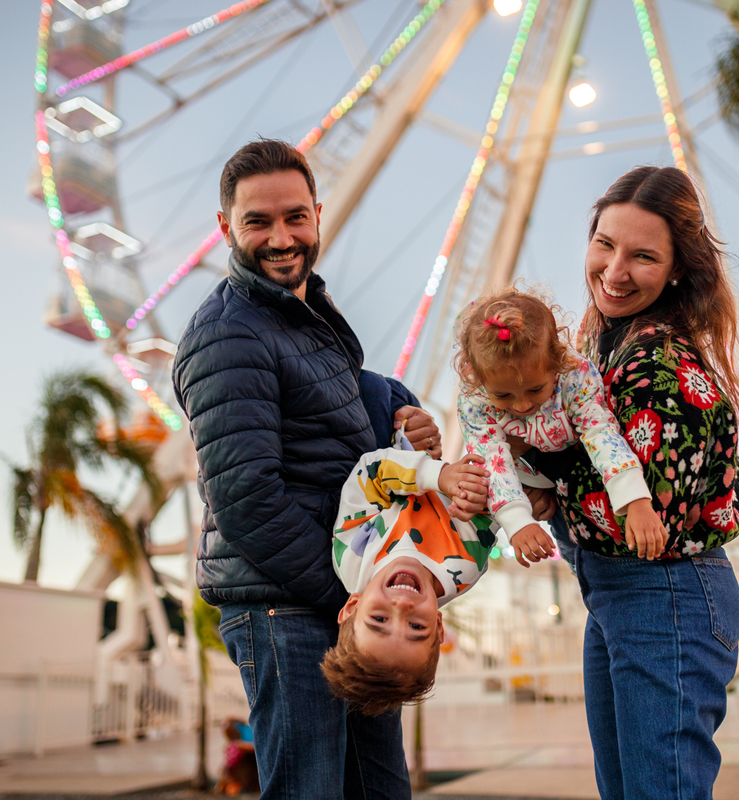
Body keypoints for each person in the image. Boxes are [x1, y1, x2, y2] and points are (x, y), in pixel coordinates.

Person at [172, 138, 441, 800]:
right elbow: (246, 499)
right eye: (257, 221)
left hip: (329, 596)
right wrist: (354, 598)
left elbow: (342, 400)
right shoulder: (228, 333)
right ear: (225, 228)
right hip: (284, 604)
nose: (281, 237)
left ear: (318, 214)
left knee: (378, 790)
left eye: (295, 217)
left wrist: (404, 412)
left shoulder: (301, 316)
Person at [520, 166, 739, 800]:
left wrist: (528, 471)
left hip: (666, 596)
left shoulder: (659, 360)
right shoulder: (608, 347)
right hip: (620, 596)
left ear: (678, 269)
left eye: (643, 256)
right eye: (605, 243)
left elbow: (647, 513)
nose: (615, 269)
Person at [454, 288, 665, 568]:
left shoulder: (574, 375)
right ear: (478, 380)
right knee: (578, 564)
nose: (521, 405)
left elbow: (599, 432)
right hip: (528, 488)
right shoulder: (475, 401)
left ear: (556, 363)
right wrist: (518, 522)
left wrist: (635, 499)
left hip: (571, 482)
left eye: (535, 389)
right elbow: (493, 460)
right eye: (503, 396)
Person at [322, 438, 493, 714]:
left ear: (352, 606)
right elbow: (489, 503)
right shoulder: (465, 566)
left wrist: (439, 475)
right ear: (438, 627)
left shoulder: (353, 556)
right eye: (416, 627)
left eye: (379, 619)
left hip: (397, 432)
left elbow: (371, 472)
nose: (402, 607)